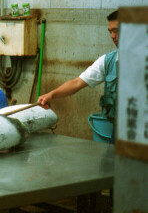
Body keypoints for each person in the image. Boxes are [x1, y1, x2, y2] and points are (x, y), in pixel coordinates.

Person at [38, 10, 119, 143]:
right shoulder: (108, 61)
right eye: (110, 31)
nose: (112, 36)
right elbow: (77, 82)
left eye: (116, 31)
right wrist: (51, 95)